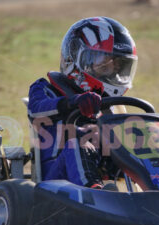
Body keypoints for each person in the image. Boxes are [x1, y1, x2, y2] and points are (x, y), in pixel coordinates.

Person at [28, 16, 138, 188]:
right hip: (56, 181)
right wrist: (73, 102)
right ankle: (94, 193)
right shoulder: (43, 89)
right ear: (75, 61)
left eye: (118, 68)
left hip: (101, 172)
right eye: (105, 66)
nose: (113, 75)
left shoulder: (110, 106)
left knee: (137, 140)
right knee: (76, 141)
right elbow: (36, 110)